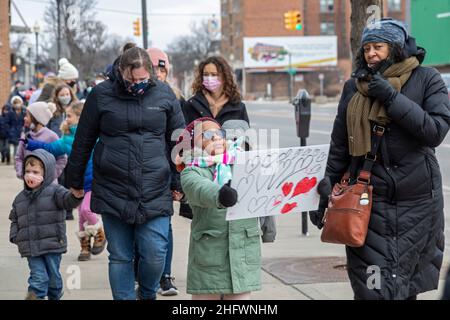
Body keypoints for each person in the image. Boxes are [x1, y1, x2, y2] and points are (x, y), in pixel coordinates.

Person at [309, 18, 450, 300]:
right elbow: (340, 146)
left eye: (378, 47)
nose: (371, 53)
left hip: (418, 203)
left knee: (404, 288)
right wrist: (324, 195)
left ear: (396, 48)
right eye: (367, 48)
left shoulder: (427, 79)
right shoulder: (354, 87)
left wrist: (390, 98)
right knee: (371, 290)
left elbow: (435, 131)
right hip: (367, 202)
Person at [64, 43, 185, 300]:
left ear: (151, 73)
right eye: (133, 79)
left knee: (155, 252)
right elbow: (83, 139)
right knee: (120, 256)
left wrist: (178, 182)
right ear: (121, 71)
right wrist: (74, 180)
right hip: (113, 187)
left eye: (143, 79)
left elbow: (179, 141)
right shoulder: (102, 95)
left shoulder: (164, 95)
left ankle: (148, 293)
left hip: (155, 186)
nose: (138, 84)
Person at [178, 117, 261, 300]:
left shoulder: (244, 163)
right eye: (207, 134)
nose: (216, 138)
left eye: (219, 133)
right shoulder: (192, 170)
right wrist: (220, 195)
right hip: (210, 256)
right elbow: (199, 189)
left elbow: (273, 186)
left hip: (242, 253)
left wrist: (313, 190)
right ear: (193, 145)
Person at [25, 102, 106, 261]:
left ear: (80, 117)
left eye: (69, 116)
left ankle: (100, 233)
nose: (66, 119)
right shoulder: (67, 138)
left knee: (86, 210)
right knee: (81, 217)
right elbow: (51, 148)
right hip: (78, 182)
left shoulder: (95, 135)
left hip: (95, 180)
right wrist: (31, 143)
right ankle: (85, 248)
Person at [8, 149, 83, 300]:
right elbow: (14, 219)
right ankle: (35, 296)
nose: (31, 175)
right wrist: (15, 236)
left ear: (47, 173)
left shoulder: (55, 191)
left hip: (52, 245)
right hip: (31, 247)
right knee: (38, 278)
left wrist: (76, 196)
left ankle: (54, 296)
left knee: (54, 282)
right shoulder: (20, 199)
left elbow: (68, 201)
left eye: (35, 172)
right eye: (28, 171)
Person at [145, 46, 183, 296]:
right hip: (140, 172)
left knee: (163, 227)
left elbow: (180, 142)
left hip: (164, 173)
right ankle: (144, 275)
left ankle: (164, 277)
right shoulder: (135, 97)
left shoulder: (174, 98)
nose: (158, 73)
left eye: (162, 68)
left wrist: (177, 180)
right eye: (153, 68)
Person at [183, 56, 249, 126]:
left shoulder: (238, 107)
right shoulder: (191, 105)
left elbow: (245, 135)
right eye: (205, 74)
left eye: (214, 74)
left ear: (224, 77)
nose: (209, 78)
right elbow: (184, 134)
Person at [15, 101, 67, 181]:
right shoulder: (25, 136)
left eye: (27, 116)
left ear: (37, 118)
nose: (24, 118)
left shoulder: (52, 136)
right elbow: (19, 157)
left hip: (49, 186)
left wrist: (51, 175)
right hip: (29, 185)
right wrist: (21, 172)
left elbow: (62, 158)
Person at [6, 96, 26, 164]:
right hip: (12, 132)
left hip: (20, 132)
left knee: (17, 147)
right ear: (13, 104)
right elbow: (7, 122)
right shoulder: (10, 112)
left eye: (18, 103)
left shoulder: (24, 112)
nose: (17, 104)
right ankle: (9, 159)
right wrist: (9, 130)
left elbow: (25, 122)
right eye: (15, 103)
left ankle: (16, 161)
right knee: (8, 148)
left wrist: (24, 130)